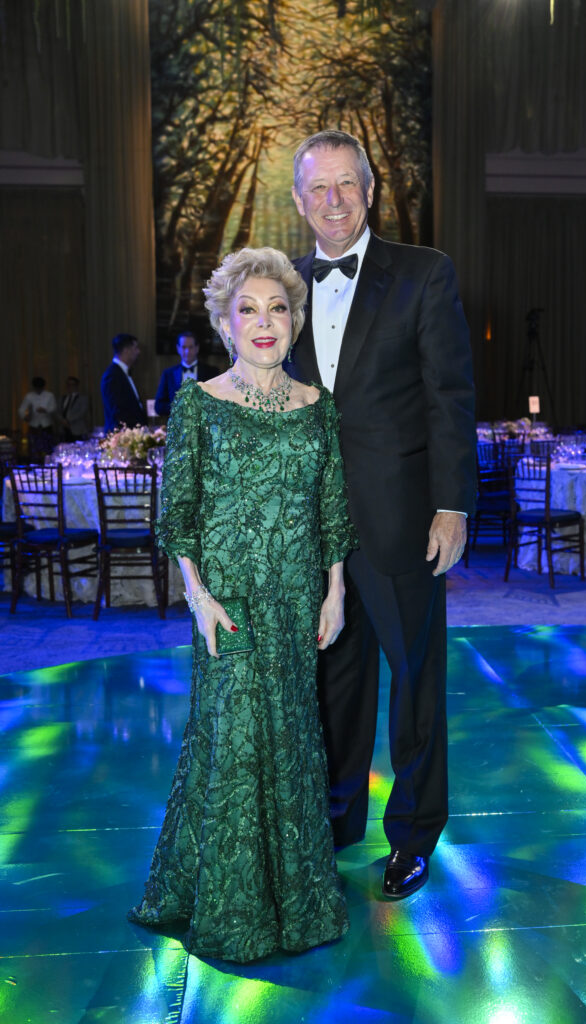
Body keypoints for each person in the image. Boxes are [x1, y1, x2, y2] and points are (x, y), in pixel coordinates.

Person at [128, 247, 355, 962]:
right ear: (226, 324)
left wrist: (335, 590)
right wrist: (197, 597)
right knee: (231, 743)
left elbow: (331, 511)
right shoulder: (198, 404)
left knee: (290, 740)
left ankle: (296, 903)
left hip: (295, 600)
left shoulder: (318, 409)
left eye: (277, 309)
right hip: (225, 604)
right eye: (248, 310)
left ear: (294, 323)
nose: (264, 323)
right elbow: (179, 516)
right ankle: (230, 909)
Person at [288, 129, 477, 900]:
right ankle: (336, 822)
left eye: (345, 186)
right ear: (299, 202)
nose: (332, 201)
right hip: (313, 530)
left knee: (414, 683)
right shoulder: (285, 287)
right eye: (317, 189)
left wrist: (450, 504)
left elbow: (449, 397)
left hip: (402, 519)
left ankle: (413, 836)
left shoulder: (424, 274)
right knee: (331, 683)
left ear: (369, 192)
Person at [154, 331, 219, 416]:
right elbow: (158, 406)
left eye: (191, 347)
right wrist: (179, 407)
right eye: (184, 347)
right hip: (176, 426)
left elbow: (218, 402)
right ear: (178, 348)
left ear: (197, 348)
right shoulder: (168, 374)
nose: (187, 351)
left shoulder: (212, 372)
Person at [100, 333, 147, 432]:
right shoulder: (112, 375)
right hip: (122, 438)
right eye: (135, 348)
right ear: (126, 350)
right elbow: (117, 412)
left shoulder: (122, 373)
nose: (138, 352)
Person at [19, 376, 57, 459]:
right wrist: (25, 417)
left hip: (46, 424)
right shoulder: (29, 396)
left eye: (40, 388)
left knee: (47, 447)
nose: (38, 390)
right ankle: (34, 464)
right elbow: (22, 409)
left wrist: (46, 410)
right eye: (36, 388)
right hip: (34, 424)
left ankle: (47, 465)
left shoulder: (49, 395)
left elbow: (54, 407)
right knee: (33, 448)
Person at [59, 376, 90, 441]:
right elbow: (58, 411)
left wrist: (68, 420)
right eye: (68, 384)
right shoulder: (63, 398)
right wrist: (62, 420)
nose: (70, 387)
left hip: (77, 429)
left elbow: (82, 412)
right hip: (64, 429)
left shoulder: (83, 398)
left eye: (72, 385)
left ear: (77, 386)